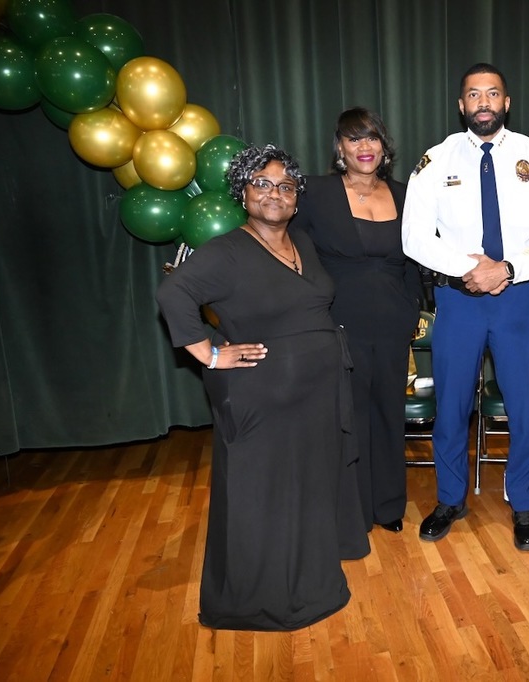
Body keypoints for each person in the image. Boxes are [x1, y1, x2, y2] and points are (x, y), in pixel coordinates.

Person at [156, 144, 370, 630]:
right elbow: (173, 293)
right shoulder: (228, 250)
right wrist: (209, 353)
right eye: (263, 184)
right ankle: (263, 597)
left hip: (315, 395)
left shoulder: (302, 243)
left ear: (296, 200)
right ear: (243, 193)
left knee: (307, 489)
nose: (275, 194)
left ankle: (311, 578)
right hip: (262, 397)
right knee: (263, 496)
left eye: (285, 187)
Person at [402, 63, 529, 551]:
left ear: (506, 102)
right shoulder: (435, 161)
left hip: (517, 300)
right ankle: (451, 498)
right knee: (451, 407)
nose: (483, 102)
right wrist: (465, 267)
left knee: (524, 409)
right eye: (474, 95)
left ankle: (522, 506)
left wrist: (508, 269)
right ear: (461, 105)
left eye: (492, 93)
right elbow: (414, 235)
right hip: (458, 300)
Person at [291, 107, 421, 534]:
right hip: (338, 321)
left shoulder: (406, 195)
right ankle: (351, 509)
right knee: (347, 416)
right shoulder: (315, 193)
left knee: (389, 413)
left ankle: (388, 506)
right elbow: (295, 257)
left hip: (392, 322)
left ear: (384, 147)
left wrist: (411, 312)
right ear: (340, 148)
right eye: (354, 139)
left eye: (372, 138)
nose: (364, 147)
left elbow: (416, 263)